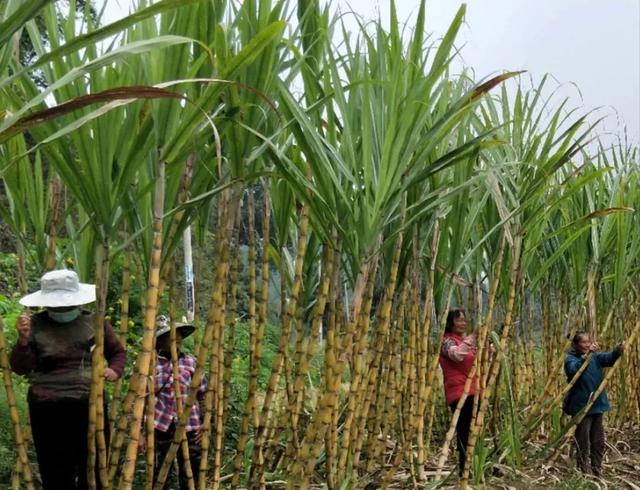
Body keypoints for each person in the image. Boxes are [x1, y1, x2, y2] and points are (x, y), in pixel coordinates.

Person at [9, 269, 126, 489]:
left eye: (66, 305)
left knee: (93, 464)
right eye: (56, 306)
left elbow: (117, 353)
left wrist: (114, 370)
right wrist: (22, 342)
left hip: (89, 404)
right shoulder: (34, 325)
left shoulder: (95, 322)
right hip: (47, 407)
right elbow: (20, 367)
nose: (61, 309)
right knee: (54, 468)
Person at [151, 315, 207, 490]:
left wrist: (206, 423)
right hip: (159, 426)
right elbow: (139, 399)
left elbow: (203, 394)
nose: (177, 339)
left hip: (190, 426)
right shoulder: (150, 363)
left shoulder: (191, 362)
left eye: (179, 335)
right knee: (159, 473)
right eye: (170, 336)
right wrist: (140, 433)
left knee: (192, 474)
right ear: (160, 341)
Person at [564, 331, 624, 476]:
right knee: (583, 441)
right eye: (584, 342)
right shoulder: (570, 359)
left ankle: (597, 469)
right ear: (575, 344)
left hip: (597, 405)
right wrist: (585, 357)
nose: (587, 345)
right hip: (581, 407)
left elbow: (609, 358)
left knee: (598, 441)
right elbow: (573, 370)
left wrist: (617, 350)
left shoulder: (596, 357)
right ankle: (584, 471)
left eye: (589, 342)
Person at [439, 307, 478, 476]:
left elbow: (476, 360)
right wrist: (473, 338)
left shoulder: (461, 340)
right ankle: (465, 470)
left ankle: (472, 467)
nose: (463, 323)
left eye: (464, 320)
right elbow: (456, 355)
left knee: (472, 431)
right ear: (450, 322)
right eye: (459, 320)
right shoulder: (447, 341)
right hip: (459, 393)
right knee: (464, 431)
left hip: (473, 391)